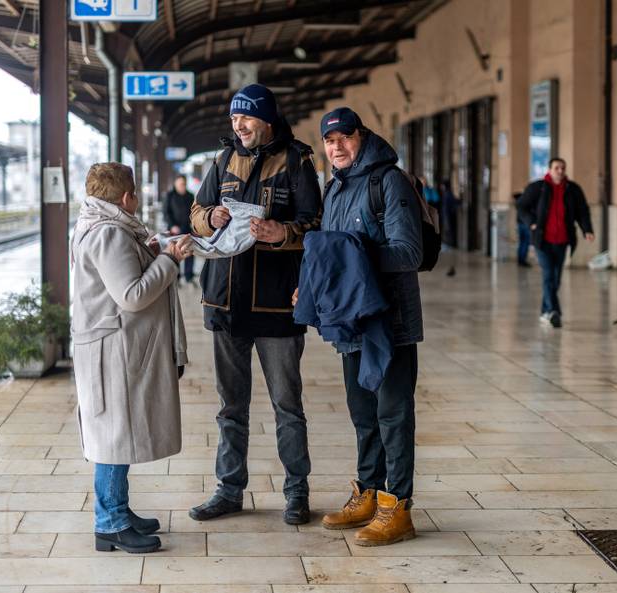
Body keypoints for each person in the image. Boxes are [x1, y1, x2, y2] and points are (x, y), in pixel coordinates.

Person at [187, 84, 322, 525]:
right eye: (233, 119)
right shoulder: (222, 160)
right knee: (230, 406)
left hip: (276, 305)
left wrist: (281, 233)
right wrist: (211, 217)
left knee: (287, 404)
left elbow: (315, 224)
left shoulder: (297, 162)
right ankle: (228, 490)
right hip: (224, 301)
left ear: (266, 120)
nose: (238, 126)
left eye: (245, 119)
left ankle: (296, 492)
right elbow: (196, 211)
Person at [312, 107, 423, 546]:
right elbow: (328, 253)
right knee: (363, 415)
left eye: (344, 137)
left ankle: (398, 508)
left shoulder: (388, 182)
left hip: (389, 321)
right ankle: (369, 492)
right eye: (329, 140)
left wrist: (351, 261)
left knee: (393, 414)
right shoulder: (334, 188)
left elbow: (409, 253)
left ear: (361, 136)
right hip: (349, 322)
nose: (336, 146)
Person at [71, 162, 193, 554]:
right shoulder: (110, 234)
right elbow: (133, 295)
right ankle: (109, 523)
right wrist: (170, 261)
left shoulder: (102, 225)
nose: (137, 199)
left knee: (116, 434)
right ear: (126, 198)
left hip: (113, 348)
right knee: (112, 436)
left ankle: (119, 510)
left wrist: (152, 252)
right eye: (135, 193)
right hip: (112, 352)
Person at [518, 157, 595, 328]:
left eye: (562, 168)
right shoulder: (538, 188)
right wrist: (531, 221)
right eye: (556, 168)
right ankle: (553, 311)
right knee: (548, 276)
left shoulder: (573, 189)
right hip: (543, 241)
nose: (560, 171)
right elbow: (521, 206)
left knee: (556, 278)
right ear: (549, 169)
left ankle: (546, 312)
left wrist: (587, 230)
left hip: (562, 240)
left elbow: (582, 211)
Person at [163, 174, 196, 285]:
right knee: (175, 253)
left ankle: (188, 277)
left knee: (189, 252)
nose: (183, 186)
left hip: (187, 228)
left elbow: (194, 213)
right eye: (181, 184)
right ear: (175, 184)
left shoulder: (190, 195)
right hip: (174, 230)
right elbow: (166, 213)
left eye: (184, 184)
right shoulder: (170, 196)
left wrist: (194, 226)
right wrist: (172, 225)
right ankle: (176, 278)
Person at [439, 179, 460, 248]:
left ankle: (451, 244)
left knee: (449, 229)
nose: (441, 187)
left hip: (448, 215)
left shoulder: (448, 194)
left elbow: (451, 204)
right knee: (448, 229)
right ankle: (450, 243)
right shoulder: (447, 194)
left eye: (442, 186)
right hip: (447, 215)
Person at [514, 191, 531, 267]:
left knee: (521, 243)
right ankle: (522, 260)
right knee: (525, 243)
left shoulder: (519, 202)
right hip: (525, 224)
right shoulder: (526, 202)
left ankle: (520, 259)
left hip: (520, 224)